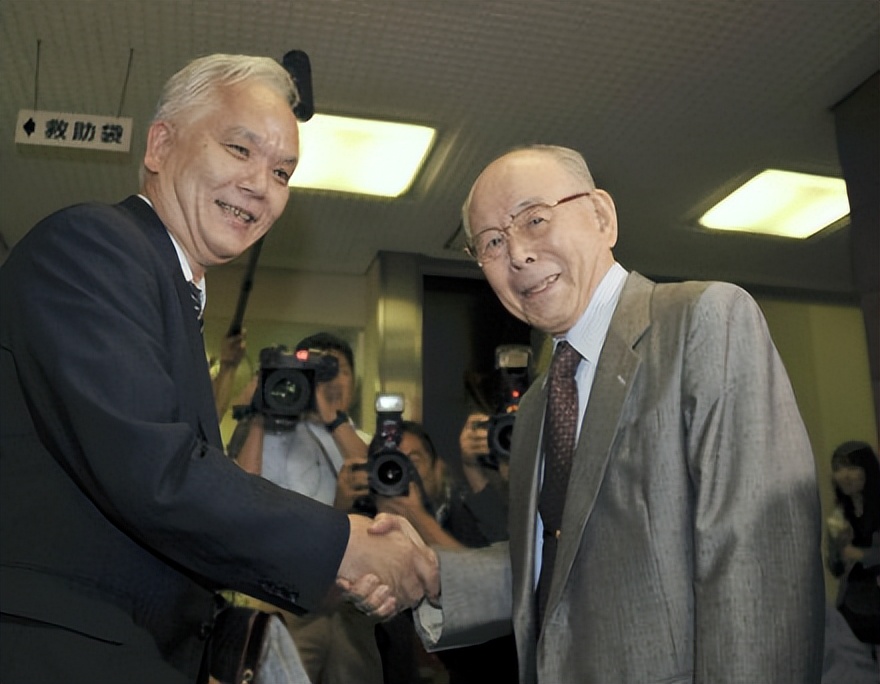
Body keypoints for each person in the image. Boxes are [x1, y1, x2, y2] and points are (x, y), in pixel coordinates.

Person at [0, 53, 437, 683]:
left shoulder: (171, 293)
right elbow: (155, 472)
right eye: (239, 149)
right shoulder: (93, 247)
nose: (262, 184)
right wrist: (347, 544)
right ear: (160, 144)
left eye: (283, 172)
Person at [366, 144, 825, 683]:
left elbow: (761, 569)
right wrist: (431, 573)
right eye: (491, 242)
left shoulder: (704, 321)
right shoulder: (538, 402)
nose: (516, 253)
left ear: (602, 217)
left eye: (534, 219)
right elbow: (564, 569)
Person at [229, 332, 384, 684]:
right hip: (283, 595)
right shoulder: (267, 432)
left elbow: (375, 479)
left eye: (334, 370)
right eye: (314, 371)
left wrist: (331, 417)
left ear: (354, 382)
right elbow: (241, 492)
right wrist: (259, 410)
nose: (325, 381)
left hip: (349, 599)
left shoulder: (358, 439)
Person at [373, 421, 518, 684]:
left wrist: (415, 515)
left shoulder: (466, 516)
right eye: (391, 463)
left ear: (439, 468)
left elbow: (481, 583)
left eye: (413, 460)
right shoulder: (369, 532)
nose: (403, 472)